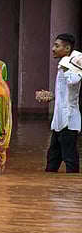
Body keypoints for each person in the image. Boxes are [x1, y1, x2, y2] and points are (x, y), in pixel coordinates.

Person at [40, 33, 81, 173]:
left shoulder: (73, 64)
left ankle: (73, 190)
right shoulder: (63, 66)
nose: (53, 48)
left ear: (67, 48)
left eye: (57, 46)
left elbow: (74, 81)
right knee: (52, 159)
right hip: (58, 121)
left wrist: (66, 66)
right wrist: (51, 96)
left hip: (69, 120)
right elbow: (65, 93)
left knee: (70, 158)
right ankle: (52, 189)